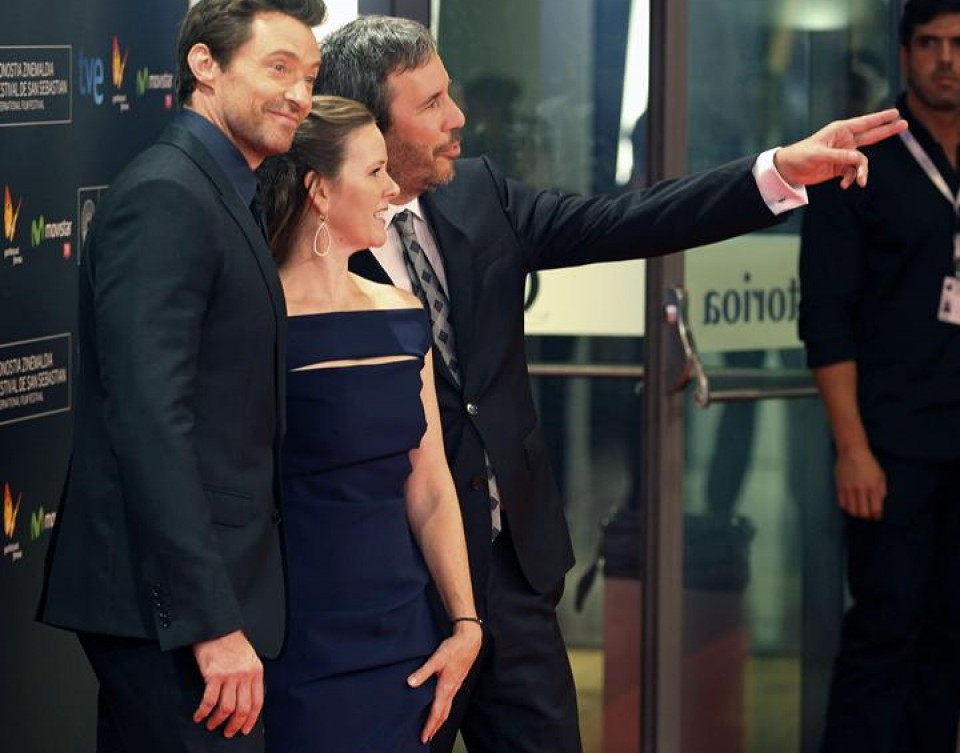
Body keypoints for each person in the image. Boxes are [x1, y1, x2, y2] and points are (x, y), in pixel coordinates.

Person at [317, 15, 907, 753]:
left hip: (513, 571)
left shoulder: (478, 194)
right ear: (372, 126)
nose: (457, 116)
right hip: (395, 588)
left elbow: (624, 220)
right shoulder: (310, 252)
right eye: (431, 103)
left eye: (450, 94)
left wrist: (779, 171)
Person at [36, 1, 324, 751]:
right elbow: (150, 420)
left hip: (197, 599)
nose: (299, 94)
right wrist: (210, 622)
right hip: (168, 612)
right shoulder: (170, 193)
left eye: (310, 75)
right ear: (205, 66)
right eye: (279, 68)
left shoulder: (222, 189)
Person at [256, 95, 481, 752]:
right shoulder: (258, 320)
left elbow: (431, 482)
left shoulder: (404, 311)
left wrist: (465, 621)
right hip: (295, 640)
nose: (392, 189)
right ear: (320, 191)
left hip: (403, 637)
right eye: (375, 172)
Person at [799, 1, 960, 751]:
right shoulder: (862, 161)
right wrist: (851, 446)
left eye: (959, 44)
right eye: (929, 43)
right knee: (885, 630)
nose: (946, 59)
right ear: (903, 55)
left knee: (948, 640)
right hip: (891, 441)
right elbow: (825, 319)